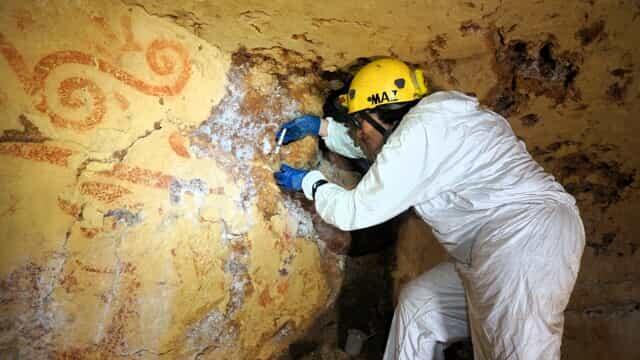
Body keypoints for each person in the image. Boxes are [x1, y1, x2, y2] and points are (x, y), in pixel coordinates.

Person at [273, 58, 585, 360]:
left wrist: (310, 182)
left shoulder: (422, 131)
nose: (357, 132)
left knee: (517, 353)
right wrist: (324, 128)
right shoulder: (429, 122)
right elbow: (383, 150)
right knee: (419, 306)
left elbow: (355, 210)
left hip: (525, 239)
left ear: (378, 114)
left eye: (358, 123)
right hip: (492, 247)